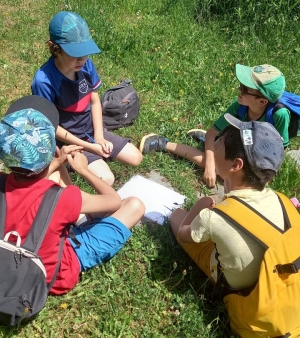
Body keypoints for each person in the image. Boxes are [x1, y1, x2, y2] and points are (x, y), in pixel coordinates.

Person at [0, 95, 145, 295]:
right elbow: (113, 201)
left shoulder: (2, 183)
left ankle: (80, 219)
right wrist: (84, 170)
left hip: (10, 259)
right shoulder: (61, 198)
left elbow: (28, 183)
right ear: (52, 150)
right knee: (135, 205)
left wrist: (57, 164)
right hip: (55, 273)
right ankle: (81, 223)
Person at [168, 114, 285, 291]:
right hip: (274, 277)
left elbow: (183, 235)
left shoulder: (214, 217)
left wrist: (201, 206)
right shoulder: (280, 200)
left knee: (176, 216)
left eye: (219, 143)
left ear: (236, 165)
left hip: (232, 285)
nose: (212, 147)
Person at [31, 11, 143, 185]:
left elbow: (94, 100)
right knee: (107, 178)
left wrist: (99, 137)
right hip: (67, 139)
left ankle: (91, 156)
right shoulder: (44, 81)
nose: (82, 59)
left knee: (136, 158)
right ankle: (70, 161)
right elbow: (50, 126)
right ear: (54, 48)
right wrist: (89, 147)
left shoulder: (85, 64)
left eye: (85, 53)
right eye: (75, 54)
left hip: (90, 130)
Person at [139, 64, 289, 187]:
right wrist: (209, 167)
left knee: (232, 178)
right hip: (239, 141)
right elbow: (212, 132)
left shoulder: (279, 115)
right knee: (217, 168)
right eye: (241, 85)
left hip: (255, 151)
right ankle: (163, 143)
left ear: (262, 101)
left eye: (245, 89)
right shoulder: (239, 106)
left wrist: (265, 181)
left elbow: (279, 151)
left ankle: (210, 144)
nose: (239, 90)